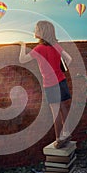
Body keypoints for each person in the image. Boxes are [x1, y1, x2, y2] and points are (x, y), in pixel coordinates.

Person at [19, 20, 72, 149]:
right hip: (61, 81)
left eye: (36, 29)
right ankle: (67, 133)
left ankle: (58, 139)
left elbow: (22, 60)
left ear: (42, 32)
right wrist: (61, 69)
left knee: (55, 113)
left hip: (50, 85)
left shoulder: (39, 49)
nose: (34, 31)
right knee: (63, 109)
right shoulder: (56, 45)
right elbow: (69, 59)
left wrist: (23, 46)